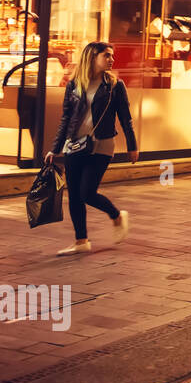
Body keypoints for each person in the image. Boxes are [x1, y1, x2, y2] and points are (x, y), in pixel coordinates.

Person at [45, 42, 138, 256]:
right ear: (92, 57)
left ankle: (116, 215)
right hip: (74, 145)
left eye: (111, 56)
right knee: (75, 195)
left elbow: (126, 119)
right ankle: (81, 241)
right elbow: (66, 118)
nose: (111, 60)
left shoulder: (115, 85)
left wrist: (132, 145)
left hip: (102, 145)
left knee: (87, 192)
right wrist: (55, 148)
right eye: (107, 55)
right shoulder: (74, 84)